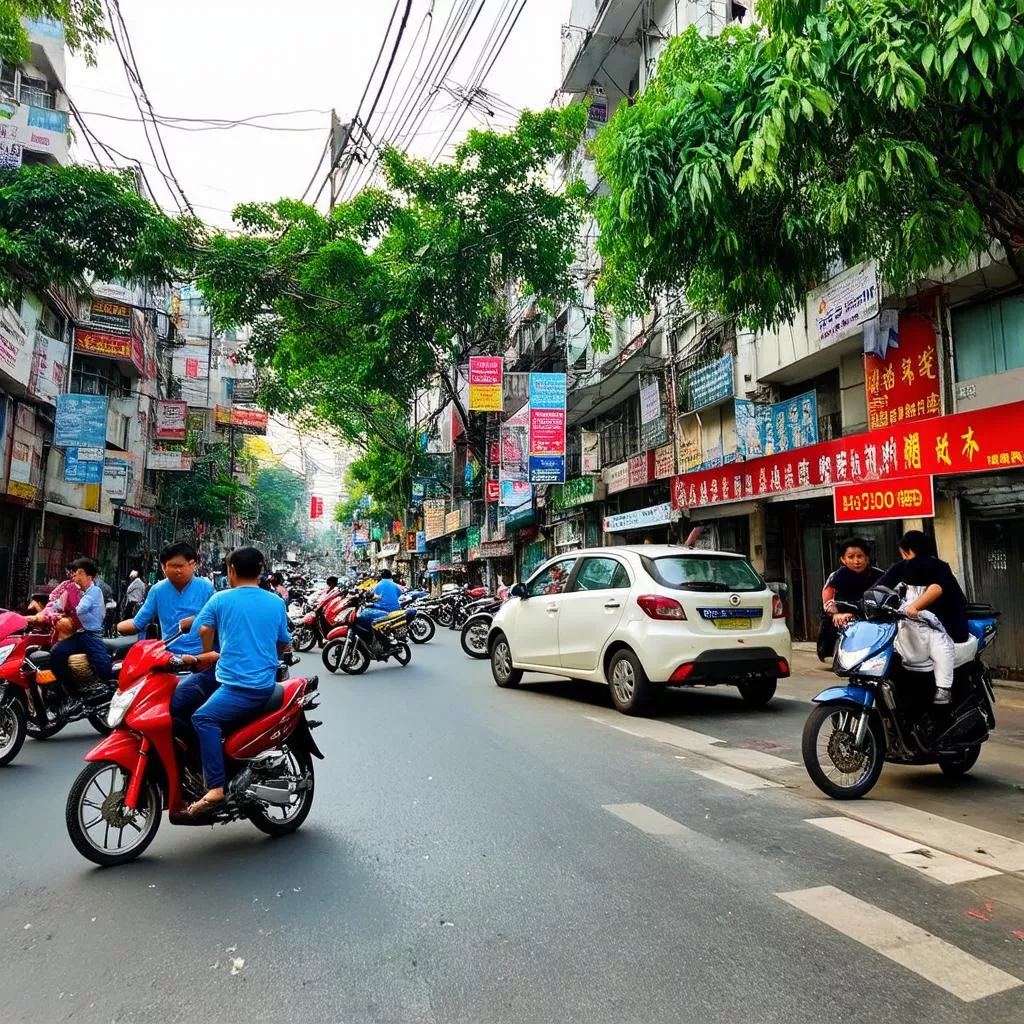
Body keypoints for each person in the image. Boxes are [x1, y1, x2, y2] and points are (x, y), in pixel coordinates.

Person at [182, 546, 293, 818]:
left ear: (231, 570)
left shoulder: (221, 600)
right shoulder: (275, 602)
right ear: (261, 570)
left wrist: (207, 654)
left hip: (242, 688)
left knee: (202, 719)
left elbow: (203, 629)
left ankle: (216, 788)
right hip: (263, 682)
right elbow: (283, 644)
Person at [117, 542, 217, 729]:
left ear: (192, 564)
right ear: (163, 567)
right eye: (171, 566)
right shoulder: (157, 590)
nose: (176, 571)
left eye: (181, 566)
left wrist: (195, 620)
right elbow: (139, 623)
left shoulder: (206, 588)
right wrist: (118, 629)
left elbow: (217, 618)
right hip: (169, 660)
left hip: (202, 659)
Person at [877, 530, 969, 705]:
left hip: (940, 626)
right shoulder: (938, 566)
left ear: (906, 551)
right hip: (912, 623)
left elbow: (937, 588)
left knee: (941, 647)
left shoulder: (927, 566)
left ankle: (944, 689)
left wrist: (915, 607)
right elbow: (879, 588)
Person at [49, 557, 113, 698]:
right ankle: (71, 692)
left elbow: (81, 609)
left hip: (91, 636)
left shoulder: (94, 591)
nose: (73, 575)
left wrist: (69, 607)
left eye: (77, 572)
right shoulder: (78, 590)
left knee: (103, 667)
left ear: (86, 575)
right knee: (56, 653)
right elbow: (57, 604)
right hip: (81, 635)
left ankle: (110, 692)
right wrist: (53, 609)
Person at [818, 536, 884, 660]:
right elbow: (828, 598)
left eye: (860, 556)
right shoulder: (837, 576)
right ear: (843, 559)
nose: (856, 561)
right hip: (844, 615)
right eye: (851, 557)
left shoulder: (879, 575)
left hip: (874, 616)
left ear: (867, 558)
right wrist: (836, 614)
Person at [28, 562, 81, 642]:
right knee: (38, 617)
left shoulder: (81, 588)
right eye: (67, 573)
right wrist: (55, 603)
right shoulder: (66, 583)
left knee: (39, 618)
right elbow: (53, 595)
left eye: (70, 573)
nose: (68, 575)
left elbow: (75, 607)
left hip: (69, 615)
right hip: (56, 608)